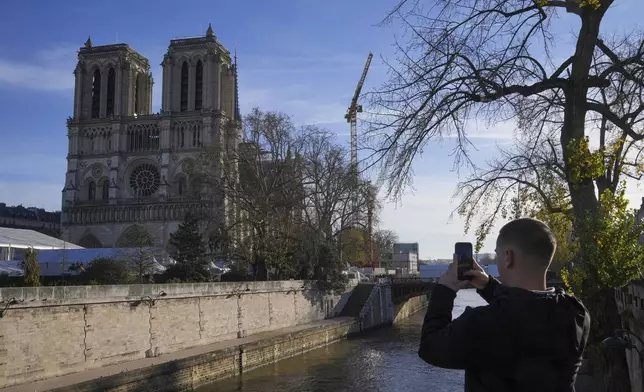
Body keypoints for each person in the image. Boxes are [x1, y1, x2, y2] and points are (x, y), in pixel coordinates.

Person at [418, 218, 590, 392]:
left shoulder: (482, 323)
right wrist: (488, 286)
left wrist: (445, 289)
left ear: (508, 257)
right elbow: (525, 310)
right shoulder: (576, 312)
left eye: (498, 255)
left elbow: (430, 346)